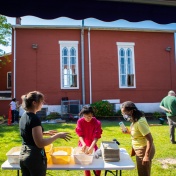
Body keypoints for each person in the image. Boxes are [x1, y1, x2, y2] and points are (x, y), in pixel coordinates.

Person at [19, 91, 72, 176]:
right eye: (41, 102)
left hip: (23, 154)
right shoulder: (34, 119)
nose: (42, 104)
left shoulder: (24, 115)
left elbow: (28, 133)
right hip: (34, 157)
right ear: (34, 103)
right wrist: (58, 135)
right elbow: (40, 143)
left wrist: (43, 133)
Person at [120, 101, 155, 176]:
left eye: (124, 112)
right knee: (142, 172)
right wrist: (128, 132)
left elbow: (150, 139)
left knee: (143, 173)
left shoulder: (140, 122)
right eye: (122, 113)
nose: (123, 115)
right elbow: (138, 133)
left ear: (131, 111)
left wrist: (146, 156)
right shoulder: (135, 119)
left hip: (143, 150)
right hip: (139, 149)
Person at [75, 106, 102, 176]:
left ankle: (97, 174)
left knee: (97, 162)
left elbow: (96, 136)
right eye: (85, 116)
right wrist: (83, 144)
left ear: (92, 114)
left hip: (93, 143)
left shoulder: (97, 122)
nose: (87, 118)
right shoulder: (80, 121)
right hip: (83, 144)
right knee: (86, 164)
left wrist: (92, 146)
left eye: (89, 116)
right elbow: (80, 134)